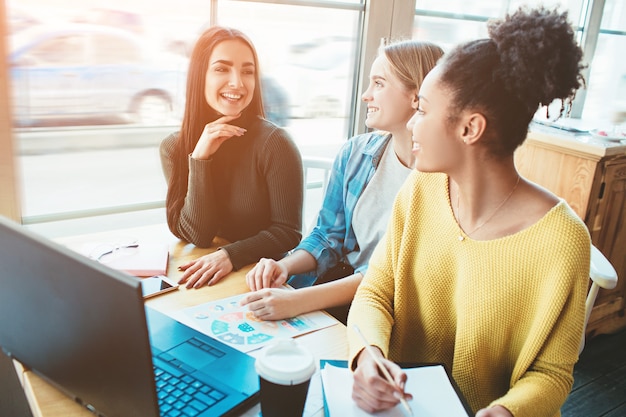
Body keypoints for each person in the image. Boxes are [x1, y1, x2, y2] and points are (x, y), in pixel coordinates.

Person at [347, 7, 590, 417]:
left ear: (469, 128)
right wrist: (367, 354)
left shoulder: (563, 240)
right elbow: (376, 291)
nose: (412, 124)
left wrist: (508, 410)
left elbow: (552, 373)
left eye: (422, 109)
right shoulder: (421, 189)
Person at [241, 39, 444, 322]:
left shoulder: (443, 183)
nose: (365, 95)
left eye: (379, 83)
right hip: (336, 289)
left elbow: (390, 278)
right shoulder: (356, 153)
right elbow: (328, 235)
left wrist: (297, 301)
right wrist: (284, 266)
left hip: (386, 313)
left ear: (416, 96)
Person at [160, 26, 303, 289]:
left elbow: (288, 232)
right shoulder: (174, 147)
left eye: (247, 71)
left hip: (261, 279)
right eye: (222, 69)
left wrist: (230, 255)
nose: (237, 82)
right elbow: (197, 235)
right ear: (199, 76)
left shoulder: (275, 143)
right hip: (208, 272)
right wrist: (200, 158)